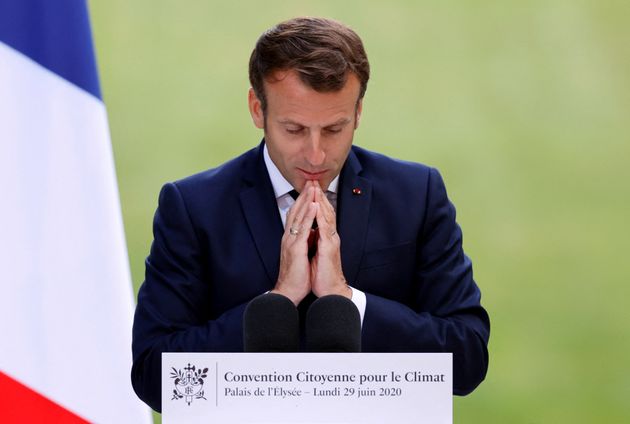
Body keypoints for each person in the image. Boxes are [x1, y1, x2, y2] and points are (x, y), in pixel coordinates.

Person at [131, 16, 490, 412]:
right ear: (257, 108)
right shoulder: (192, 206)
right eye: (295, 129)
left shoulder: (416, 194)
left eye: (335, 129)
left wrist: (346, 298)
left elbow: (467, 359)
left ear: (358, 112)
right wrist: (279, 301)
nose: (316, 155)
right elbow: (155, 377)